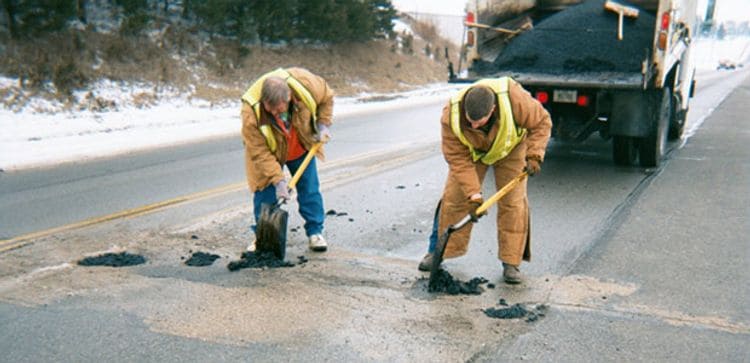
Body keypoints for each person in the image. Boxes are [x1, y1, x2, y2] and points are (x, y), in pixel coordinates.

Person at [417, 77, 552, 284]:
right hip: (472, 154)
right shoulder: (450, 115)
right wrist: (474, 194)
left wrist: (534, 155)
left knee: (513, 203)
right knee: (454, 198)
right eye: (469, 120)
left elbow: (542, 122)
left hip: (510, 149)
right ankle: (436, 252)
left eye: (478, 121)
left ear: (493, 110)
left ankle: (511, 262)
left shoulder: (514, 99)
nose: (473, 124)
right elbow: (457, 159)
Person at [240, 67, 334, 252]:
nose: (275, 113)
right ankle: (263, 237)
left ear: (289, 97)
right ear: (263, 100)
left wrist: (322, 124)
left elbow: (327, 97)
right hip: (270, 151)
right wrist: (279, 181)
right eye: (270, 109)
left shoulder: (306, 84)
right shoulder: (251, 113)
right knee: (264, 194)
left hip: (300, 145)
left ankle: (315, 232)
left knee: (309, 189)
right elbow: (259, 152)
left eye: (279, 109)